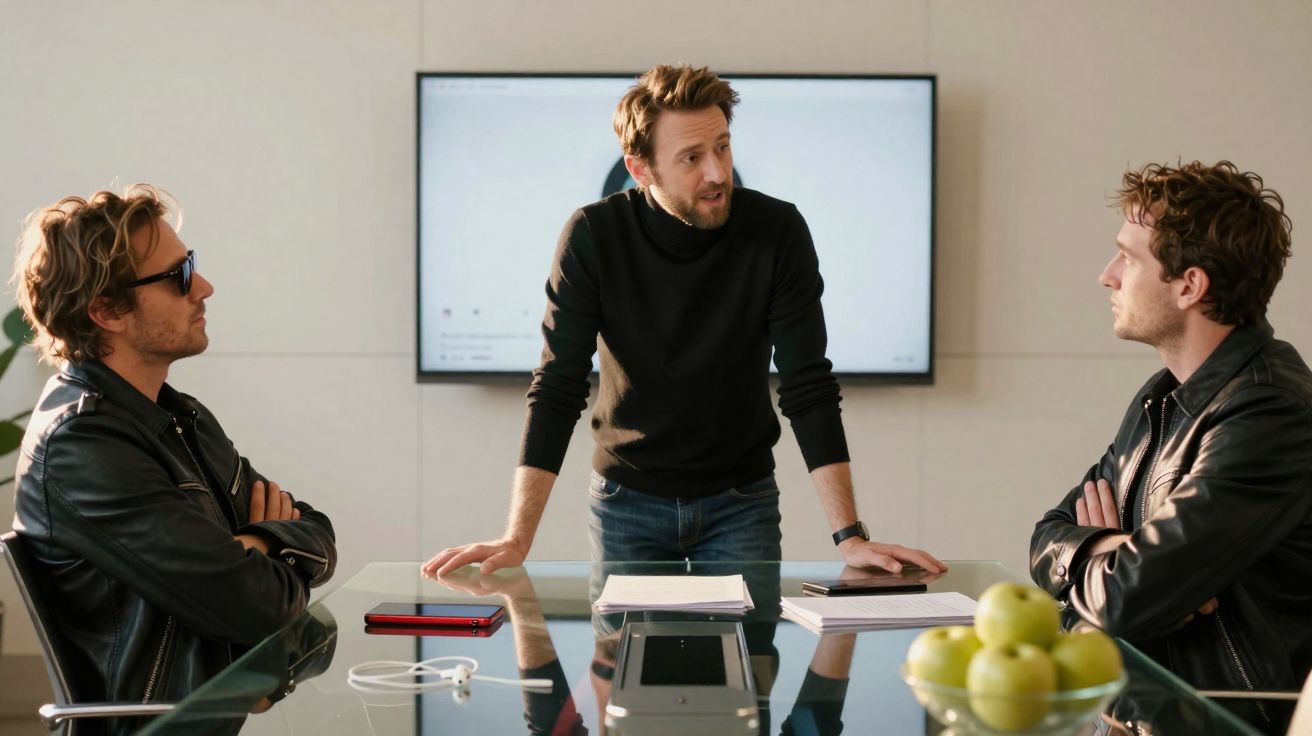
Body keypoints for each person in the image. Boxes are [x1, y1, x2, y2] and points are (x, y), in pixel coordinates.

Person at [423, 63, 943, 578]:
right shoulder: (593, 236)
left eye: (722, 146)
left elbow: (808, 386)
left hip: (742, 500)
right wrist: (517, 538)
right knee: (628, 662)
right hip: (626, 500)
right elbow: (558, 386)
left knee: (751, 662)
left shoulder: (777, 231)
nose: (717, 172)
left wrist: (850, 537)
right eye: (691, 157)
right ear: (640, 167)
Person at [9, 184, 337, 733]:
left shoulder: (178, 415)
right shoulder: (83, 444)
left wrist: (256, 543)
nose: (204, 288)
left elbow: (318, 533)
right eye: (178, 277)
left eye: (193, 266)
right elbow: (256, 605)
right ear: (107, 310)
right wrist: (266, 543)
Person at [1030, 161, 1312, 733]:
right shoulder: (1164, 397)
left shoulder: (1271, 412)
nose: (1107, 276)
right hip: (1143, 712)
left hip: (1224, 720)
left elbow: (1131, 597)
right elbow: (1046, 534)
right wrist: (1110, 548)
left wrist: (1115, 567)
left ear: (1190, 285)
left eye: (1129, 258)